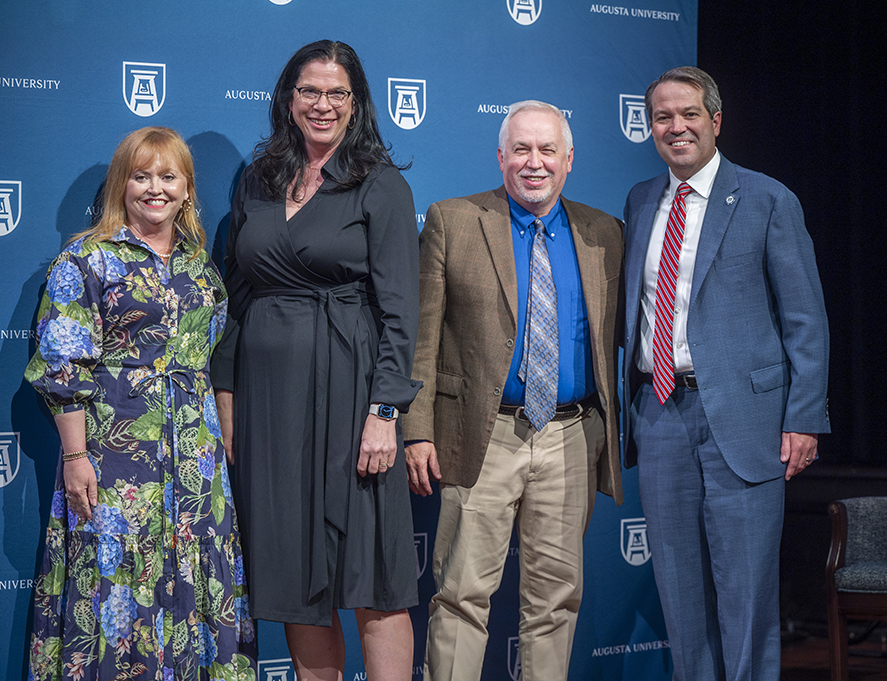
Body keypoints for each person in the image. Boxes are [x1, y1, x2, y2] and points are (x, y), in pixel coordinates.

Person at [210, 40, 421, 681]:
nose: (322, 105)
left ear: (355, 103)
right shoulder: (260, 177)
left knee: (373, 574)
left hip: (354, 396)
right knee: (295, 580)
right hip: (269, 402)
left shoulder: (380, 184)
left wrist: (384, 411)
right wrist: (228, 410)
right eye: (310, 91)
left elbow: (399, 311)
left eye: (337, 93)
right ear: (288, 98)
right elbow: (234, 302)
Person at [24, 126, 256, 681]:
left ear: (187, 189)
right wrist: (76, 456)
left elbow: (214, 353)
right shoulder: (86, 261)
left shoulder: (203, 268)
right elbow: (63, 364)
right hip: (114, 456)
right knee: (118, 585)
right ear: (121, 185)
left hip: (197, 465)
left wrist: (222, 442)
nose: (155, 189)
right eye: (141, 176)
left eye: (168, 177)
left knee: (199, 581)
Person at [621, 66, 830, 680]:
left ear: (716, 120)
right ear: (650, 127)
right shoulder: (639, 201)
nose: (676, 127)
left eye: (688, 114)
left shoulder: (767, 199)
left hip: (746, 422)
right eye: (663, 117)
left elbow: (806, 322)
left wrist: (803, 419)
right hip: (659, 415)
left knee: (746, 596)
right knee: (681, 599)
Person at [404, 100, 624, 681]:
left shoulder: (606, 233)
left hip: (572, 437)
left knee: (556, 602)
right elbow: (422, 339)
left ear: (569, 159)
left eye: (547, 150)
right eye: (521, 150)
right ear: (500, 158)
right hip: (483, 434)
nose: (535, 163)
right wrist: (417, 429)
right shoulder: (453, 220)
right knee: (460, 596)